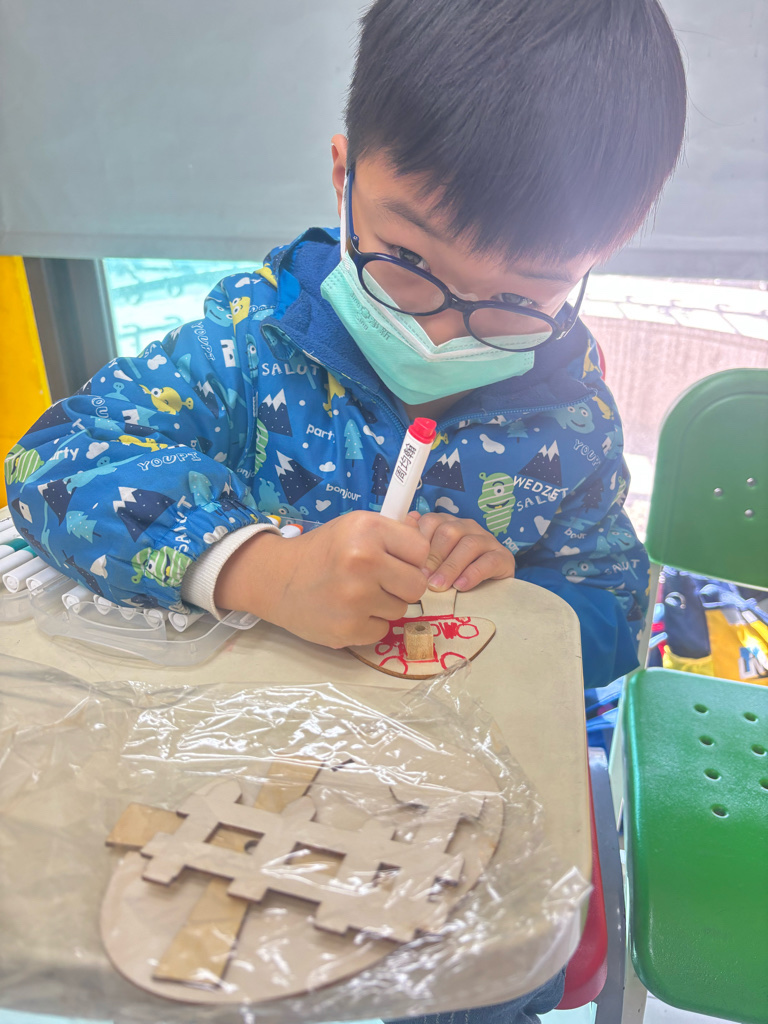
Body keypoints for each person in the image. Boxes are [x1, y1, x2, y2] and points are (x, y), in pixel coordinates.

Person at [6, 0, 685, 1018]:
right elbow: (54, 462)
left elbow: (617, 607)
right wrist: (259, 566)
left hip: (450, 824)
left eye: (518, 299)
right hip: (233, 794)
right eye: (407, 264)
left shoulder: (569, 420)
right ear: (343, 176)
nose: (447, 332)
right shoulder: (248, 347)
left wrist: (519, 588)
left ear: (599, 255)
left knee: (473, 985)